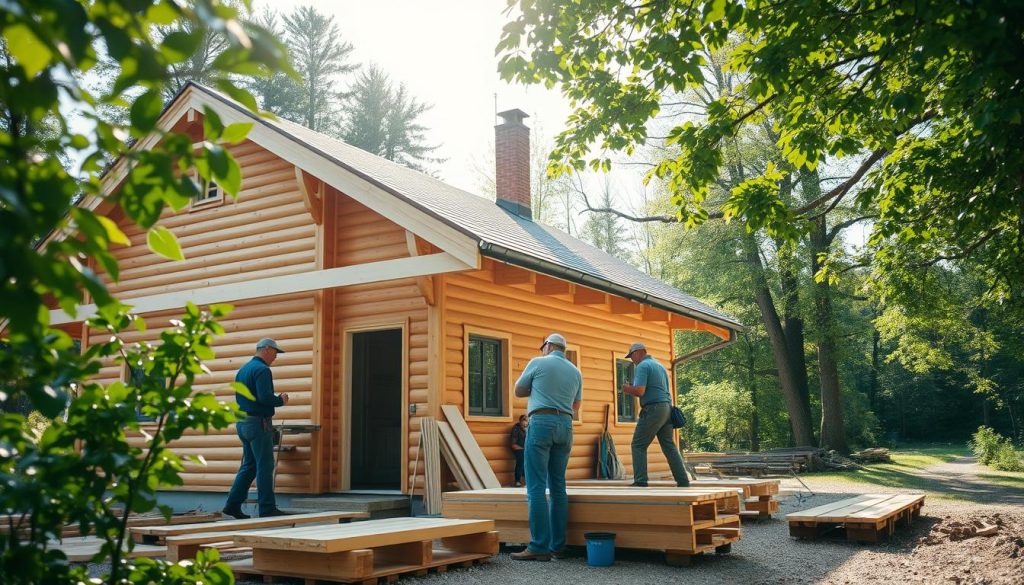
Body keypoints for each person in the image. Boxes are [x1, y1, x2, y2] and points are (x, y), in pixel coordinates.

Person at [510, 333, 583, 562]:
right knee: (558, 486)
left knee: (536, 487)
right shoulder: (576, 371)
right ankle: (558, 547)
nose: (542, 350)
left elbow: (518, 391)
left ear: (549, 346)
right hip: (566, 425)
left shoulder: (538, 362)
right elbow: (576, 404)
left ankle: (539, 546)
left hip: (541, 422)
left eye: (543, 346)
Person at [222, 338, 291, 519]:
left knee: (249, 465)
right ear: (267, 349)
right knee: (265, 465)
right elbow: (264, 397)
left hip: (243, 422)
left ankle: (232, 505)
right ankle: (267, 508)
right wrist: (280, 400)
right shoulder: (262, 370)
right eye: (275, 352)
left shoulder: (243, 370)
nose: (276, 357)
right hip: (258, 423)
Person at [621, 342, 690, 487]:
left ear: (639, 352)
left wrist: (627, 389)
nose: (632, 359)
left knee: (638, 445)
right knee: (669, 446)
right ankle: (683, 481)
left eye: (632, 355)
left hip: (653, 409)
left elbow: (640, 391)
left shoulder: (643, 366)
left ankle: (640, 481)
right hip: (666, 409)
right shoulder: (659, 366)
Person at [510, 414, 528, 487]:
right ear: (520, 421)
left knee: (528, 463)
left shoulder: (527, 428)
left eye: (526, 420)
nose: (525, 422)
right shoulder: (516, 429)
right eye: (524, 420)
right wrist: (524, 449)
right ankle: (517, 481)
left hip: (527, 449)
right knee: (521, 462)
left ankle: (526, 480)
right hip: (518, 448)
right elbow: (513, 444)